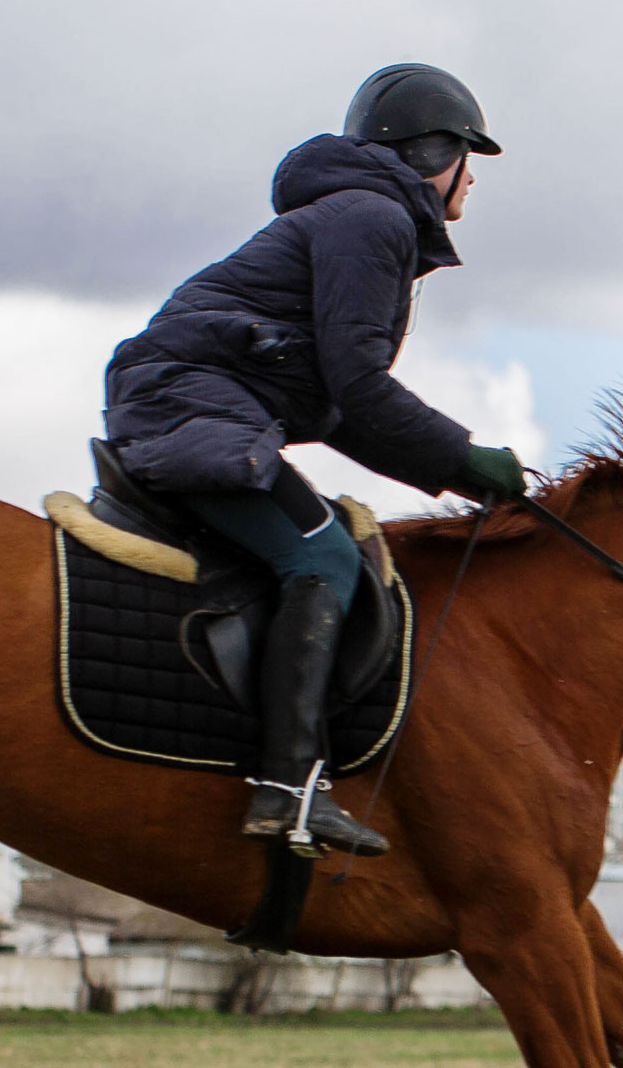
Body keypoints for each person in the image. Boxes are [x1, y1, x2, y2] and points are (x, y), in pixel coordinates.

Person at [102, 63, 526, 858]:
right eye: (473, 159)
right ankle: (289, 791)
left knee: (319, 542)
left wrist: (462, 471)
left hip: (190, 402)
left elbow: (335, 409)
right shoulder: (374, 220)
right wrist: (468, 459)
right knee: (324, 557)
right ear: (442, 155)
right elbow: (361, 392)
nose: (475, 182)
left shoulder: (362, 217)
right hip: (191, 405)